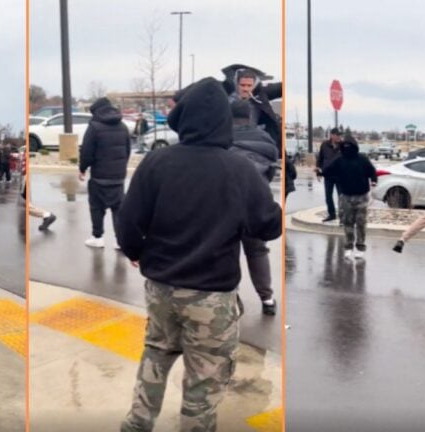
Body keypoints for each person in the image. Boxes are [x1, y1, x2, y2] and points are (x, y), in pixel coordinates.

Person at [116, 78, 282, 431]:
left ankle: (137, 423)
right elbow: (268, 227)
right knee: (205, 376)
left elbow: (128, 219)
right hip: (211, 295)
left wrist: (137, 253)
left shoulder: (157, 162)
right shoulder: (238, 169)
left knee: (156, 354)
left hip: (160, 286)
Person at [229, 100, 280, 316]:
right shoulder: (265, 138)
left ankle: (233, 296)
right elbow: (271, 170)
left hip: (228, 203)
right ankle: (267, 298)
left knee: (228, 251)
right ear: (249, 116)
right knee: (258, 251)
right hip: (257, 202)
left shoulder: (223, 139)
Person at [78, 97, 130, 248]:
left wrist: (82, 168)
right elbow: (127, 150)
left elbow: (87, 152)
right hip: (118, 176)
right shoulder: (122, 126)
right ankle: (120, 240)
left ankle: (97, 237)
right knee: (118, 209)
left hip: (100, 176)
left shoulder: (94, 127)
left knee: (96, 207)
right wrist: (121, 167)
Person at [321, 135, 378, 259]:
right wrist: (321, 172)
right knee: (348, 223)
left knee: (361, 223)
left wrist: (373, 180)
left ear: (354, 147)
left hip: (362, 196)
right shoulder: (339, 160)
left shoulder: (362, 159)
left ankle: (360, 246)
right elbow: (328, 171)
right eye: (345, 147)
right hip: (346, 196)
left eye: (349, 147)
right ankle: (348, 247)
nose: (347, 149)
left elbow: (372, 171)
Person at [222, 64, 283, 150]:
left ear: (254, 85)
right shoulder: (225, 95)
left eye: (249, 86)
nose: (245, 89)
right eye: (242, 85)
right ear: (236, 84)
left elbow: (281, 87)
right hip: (230, 143)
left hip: (255, 143)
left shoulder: (261, 95)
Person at [316, 128, 343, 222]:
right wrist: (318, 172)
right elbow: (320, 159)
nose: (339, 137)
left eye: (340, 135)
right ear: (332, 135)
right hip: (328, 175)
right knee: (328, 196)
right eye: (337, 135)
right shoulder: (324, 145)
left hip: (340, 176)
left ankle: (342, 217)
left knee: (341, 197)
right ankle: (331, 214)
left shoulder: (343, 146)